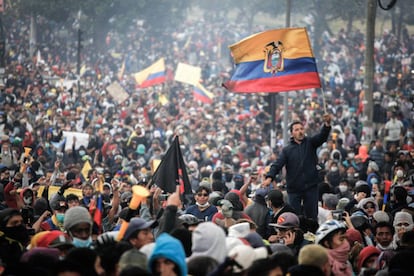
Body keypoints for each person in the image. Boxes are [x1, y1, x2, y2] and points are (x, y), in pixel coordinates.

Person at [264, 114, 332, 220]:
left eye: (301, 129)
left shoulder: (310, 143)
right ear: (292, 133)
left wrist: (327, 124)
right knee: (294, 217)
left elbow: (322, 137)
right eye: (296, 130)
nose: (300, 131)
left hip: (311, 186)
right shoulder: (287, 150)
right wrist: (269, 177)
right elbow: (277, 164)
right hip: (294, 189)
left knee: (312, 216)